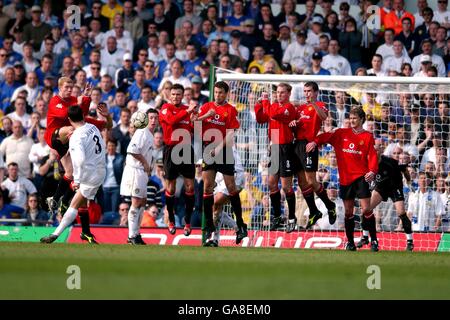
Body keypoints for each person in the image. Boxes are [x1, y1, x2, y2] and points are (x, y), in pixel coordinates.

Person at [306, 107, 378, 251]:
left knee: (366, 209)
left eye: (354, 118)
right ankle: (350, 242)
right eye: (350, 118)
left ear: (362, 120)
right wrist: (315, 142)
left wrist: (372, 171)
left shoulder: (368, 136)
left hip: (361, 177)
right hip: (345, 179)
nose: (352, 121)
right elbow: (325, 136)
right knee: (348, 212)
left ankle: (374, 240)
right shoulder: (341, 133)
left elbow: (373, 155)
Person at [40, 105, 107, 244]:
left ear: (69, 119)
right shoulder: (92, 127)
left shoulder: (76, 137)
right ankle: (85, 232)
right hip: (100, 169)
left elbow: (80, 160)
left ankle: (55, 234)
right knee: (80, 203)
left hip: (89, 174)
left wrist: (77, 179)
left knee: (74, 205)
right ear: (83, 116)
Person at [196, 81, 246, 246]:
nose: (218, 95)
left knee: (231, 188)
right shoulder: (206, 107)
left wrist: (217, 149)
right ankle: (210, 226)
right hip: (207, 149)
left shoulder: (230, 110)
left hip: (224, 151)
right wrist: (205, 116)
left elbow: (231, 135)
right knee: (207, 187)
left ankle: (240, 223)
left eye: (221, 93)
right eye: (216, 92)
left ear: (226, 94)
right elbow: (195, 125)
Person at [289, 81, 336, 229]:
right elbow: (297, 122)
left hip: (309, 144)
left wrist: (314, 103)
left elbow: (323, 118)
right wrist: (294, 123)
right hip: (297, 145)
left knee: (311, 180)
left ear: (315, 92)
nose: (306, 94)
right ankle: (314, 211)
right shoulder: (301, 108)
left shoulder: (320, 105)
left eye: (309, 91)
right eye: (305, 91)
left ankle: (330, 205)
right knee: (302, 182)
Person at [254, 83, 297, 232]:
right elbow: (260, 119)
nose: (279, 95)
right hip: (274, 147)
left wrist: (265, 101)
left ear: (289, 94)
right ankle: (277, 217)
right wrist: (258, 105)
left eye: (282, 92)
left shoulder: (289, 108)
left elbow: (272, 114)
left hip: (286, 148)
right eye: (278, 92)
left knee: (286, 186)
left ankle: (292, 217)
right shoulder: (272, 107)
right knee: (272, 183)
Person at [357, 146, 414, 251]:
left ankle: (410, 241)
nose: (375, 152)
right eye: (373, 150)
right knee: (366, 209)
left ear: (381, 152)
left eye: (377, 150)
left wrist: (409, 181)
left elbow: (404, 169)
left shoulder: (390, 162)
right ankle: (365, 237)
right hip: (381, 188)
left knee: (401, 213)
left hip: (394, 187)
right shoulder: (368, 161)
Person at [159, 84, 197, 236]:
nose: (175, 97)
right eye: (173, 94)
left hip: (186, 149)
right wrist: (187, 112)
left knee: (190, 187)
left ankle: (187, 221)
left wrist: (194, 121)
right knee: (171, 188)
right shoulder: (165, 108)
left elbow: (193, 130)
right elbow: (172, 121)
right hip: (170, 150)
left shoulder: (188, 110)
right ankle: (171, 220)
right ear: (169, 95)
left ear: (183, 95)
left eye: (178, 94)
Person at [120, 109, 158, 245]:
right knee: (136, 202)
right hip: (135, 171)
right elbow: (132, 150)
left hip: (142, 172)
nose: (153, 120)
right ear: (146, 120)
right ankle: (131, 236)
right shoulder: (142, 132)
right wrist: (145, 163)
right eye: (151, 118)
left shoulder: (150, 135)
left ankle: (136, 233)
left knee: (142, 202)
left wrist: (149, 165)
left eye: (155, 118)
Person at [212, 147, 245, 246]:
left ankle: (239, 225)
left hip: (234, 175)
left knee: (215, 202)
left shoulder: (226, 145)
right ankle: (215, 239)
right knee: (215, 208)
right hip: (220, 176)